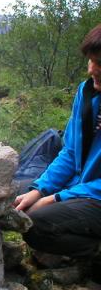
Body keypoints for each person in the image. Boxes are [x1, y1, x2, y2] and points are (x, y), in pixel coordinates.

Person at [14, 24, 101, 271]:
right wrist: (40, 190)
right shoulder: (87, 94)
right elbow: (71, 152)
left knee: (36, 224)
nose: (92, 69)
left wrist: (58, 198)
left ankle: (93, 253)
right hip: (82, 186)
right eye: (91, 61)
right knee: (15, 196)